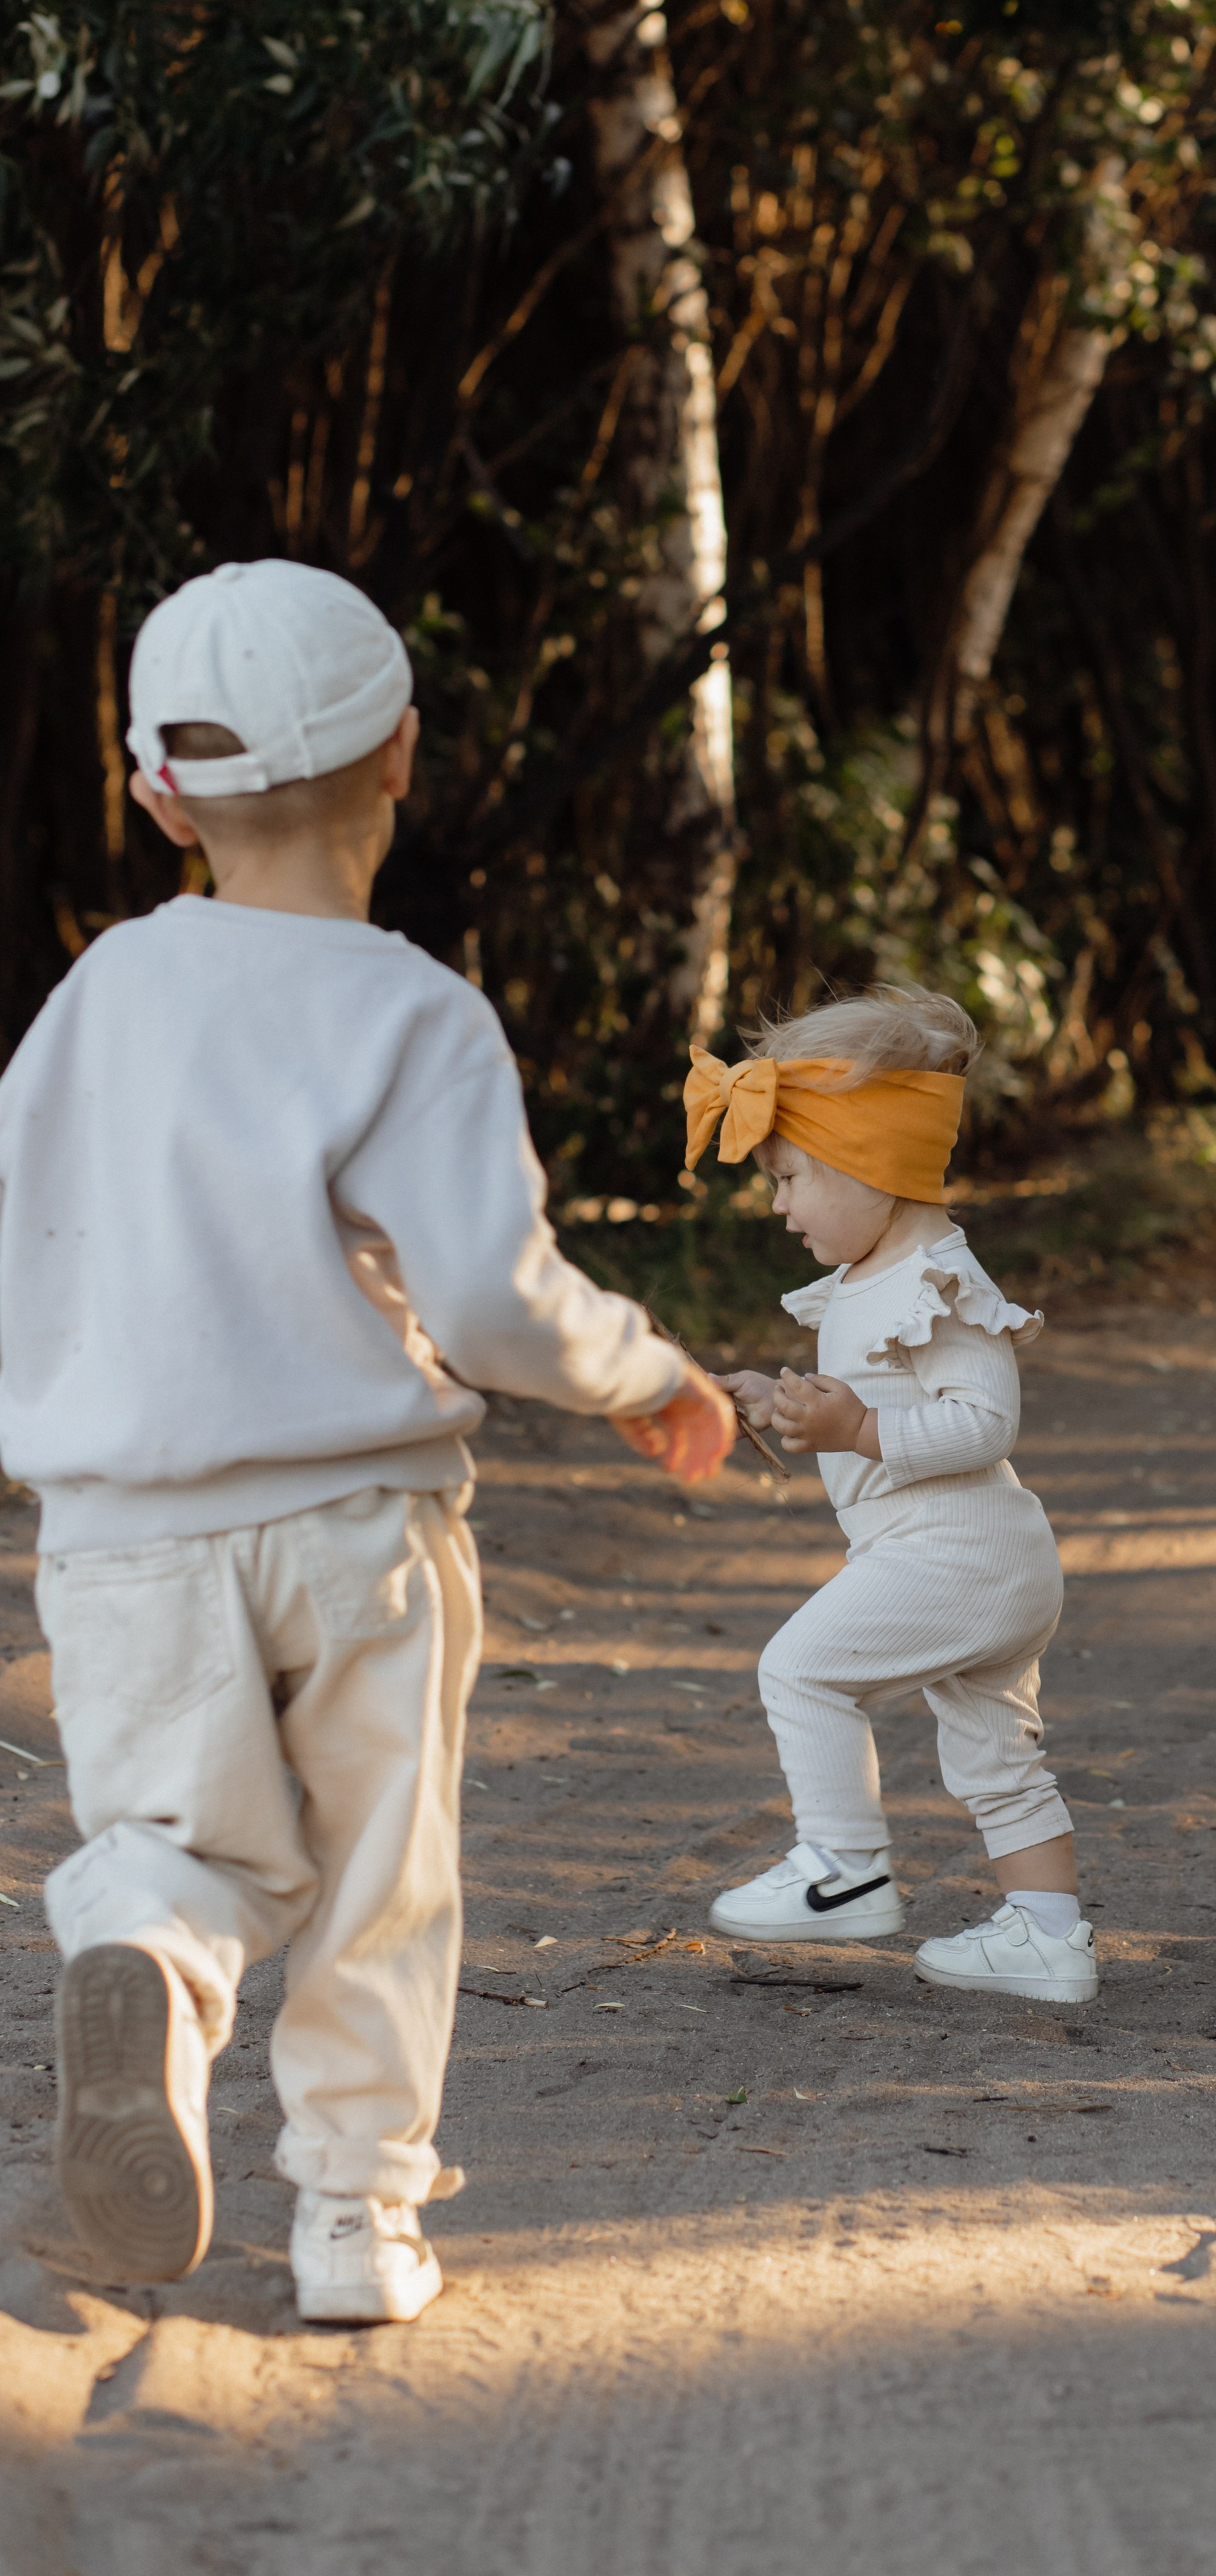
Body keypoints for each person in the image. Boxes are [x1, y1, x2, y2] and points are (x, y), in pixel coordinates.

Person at [0, 559, 734, 2324]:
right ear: (405, 755)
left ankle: (149, 1958)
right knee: (380, 1874)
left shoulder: (93, 1005)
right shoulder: (415, 1014)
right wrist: (640, 1370)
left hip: (123, 1534)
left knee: (190, 1839)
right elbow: (488, 1302)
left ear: (153, 791)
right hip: (356, 1526)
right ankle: (356, 2227)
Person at [686, 985, 1096, 2004]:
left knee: (801, 1673)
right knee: (996, 1758)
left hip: (954, 1552)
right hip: (969, 1561)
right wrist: (779, 1402)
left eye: (789, 1179)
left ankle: (844, 1870)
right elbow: (859, 1400)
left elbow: (984, 1422)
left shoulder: (939, 1284)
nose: (780, 1205)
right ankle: (1048, 1940)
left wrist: (858, 1432)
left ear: (869, 1163)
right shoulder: (878, 1277)